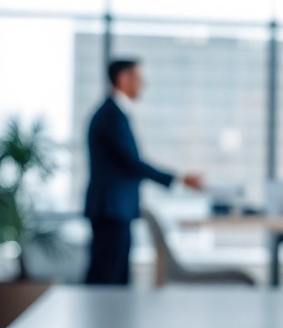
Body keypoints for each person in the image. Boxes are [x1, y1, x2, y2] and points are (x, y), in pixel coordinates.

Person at [84, 59, 202, 286]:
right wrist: (180, 178)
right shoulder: (111, 115)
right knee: (107, 277)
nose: (143, 85)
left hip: (115, 208)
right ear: (123, 79)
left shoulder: (114, 113)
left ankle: (111, 321)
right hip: (111, 209)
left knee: (113, 275)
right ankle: (104, 321)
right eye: (138, 79)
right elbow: (132, 163)